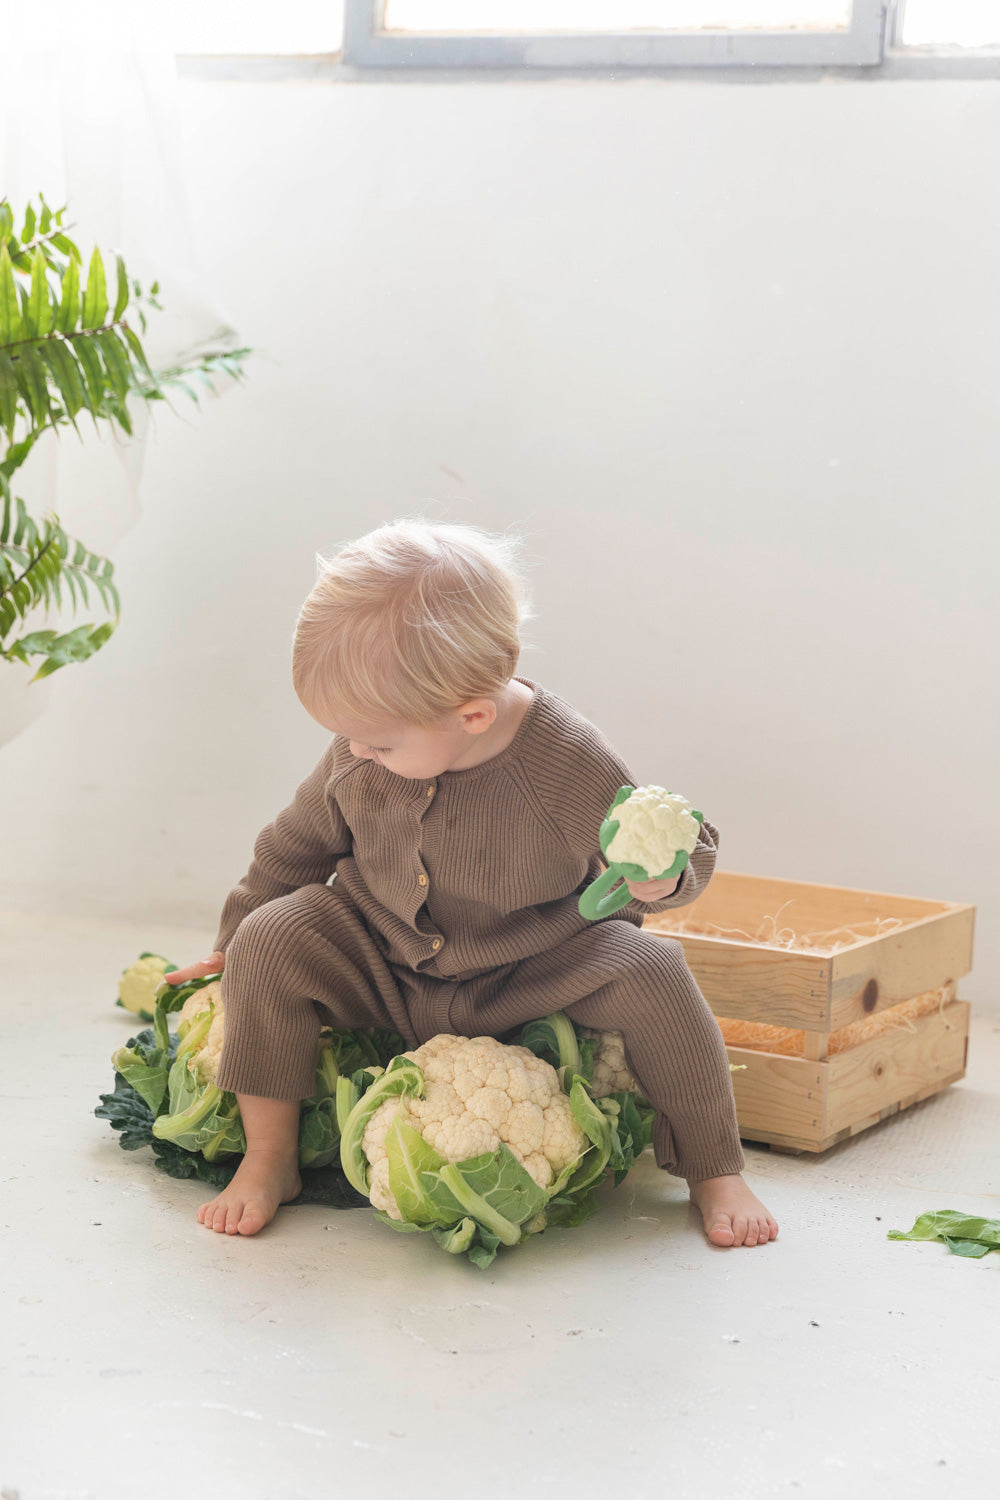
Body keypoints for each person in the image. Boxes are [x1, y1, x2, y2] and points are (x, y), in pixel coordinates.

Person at [164, 517, 778, 1250]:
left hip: (532, 968)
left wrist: (659, 879)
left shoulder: (567, 762)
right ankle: (271, 1158)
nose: (356, 752)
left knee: (654, 972)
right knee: (272, 937)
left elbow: (661, 842)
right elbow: (294, 847)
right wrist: (233, 941)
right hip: (384, 959)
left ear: (472, 715)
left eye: (379, 743)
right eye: (351, 738)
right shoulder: (365, 749)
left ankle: (714, 1168)